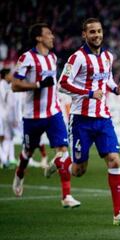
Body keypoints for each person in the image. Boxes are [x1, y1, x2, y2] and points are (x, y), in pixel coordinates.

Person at [58, 18, 120, 226]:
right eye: (92, 32)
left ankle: (119, 213)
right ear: (84, 35)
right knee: (79, 170)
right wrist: (89, 93)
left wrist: (116, 89)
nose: (97, 35)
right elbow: (62, 84)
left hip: (103, 118)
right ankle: (63, 160)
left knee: (115, 160)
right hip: (81, 120)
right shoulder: (77, 58)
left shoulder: (108, 56)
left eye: (99, 31)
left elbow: (107, 80)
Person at [11, 23, 80, 208]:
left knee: (64, 152)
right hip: (32, 116)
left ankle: (66, 196)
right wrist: (39, 85)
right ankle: (19, 175)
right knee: (27, 152)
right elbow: (15, 85)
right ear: (39, 38)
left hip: (53, 113)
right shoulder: (27, 58)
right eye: (48, 34)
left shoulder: (52, 57)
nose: (52, 37)